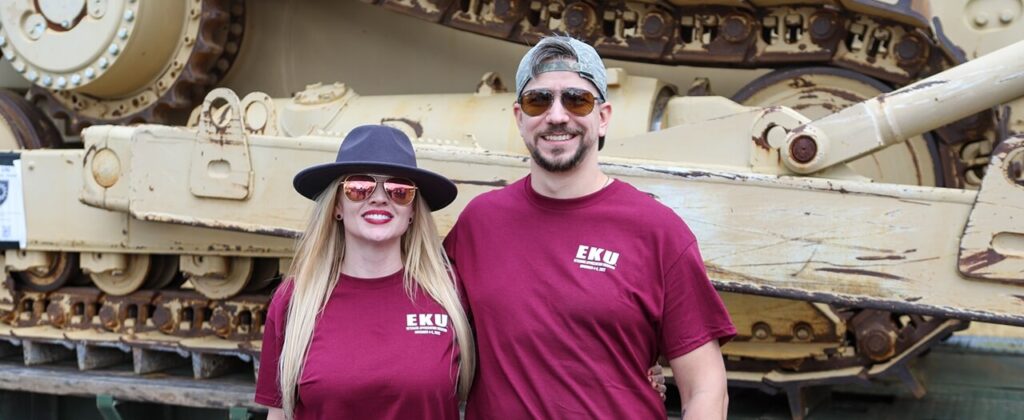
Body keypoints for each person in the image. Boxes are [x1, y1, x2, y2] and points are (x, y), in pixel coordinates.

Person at [443, 36, 737, 419]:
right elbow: (423, 334)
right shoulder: (479, 224)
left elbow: (706, 387)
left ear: (603, 117)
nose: (557, 116)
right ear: (519, 118)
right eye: (539, 100)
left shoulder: (657, 231)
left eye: (576, 100)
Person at [255, 125, 475, 420]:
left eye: (399, 191)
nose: (380, 198)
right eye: (359, 188)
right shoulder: (296, 299)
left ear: (412, 212)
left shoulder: (448, 292)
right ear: (337, 206)